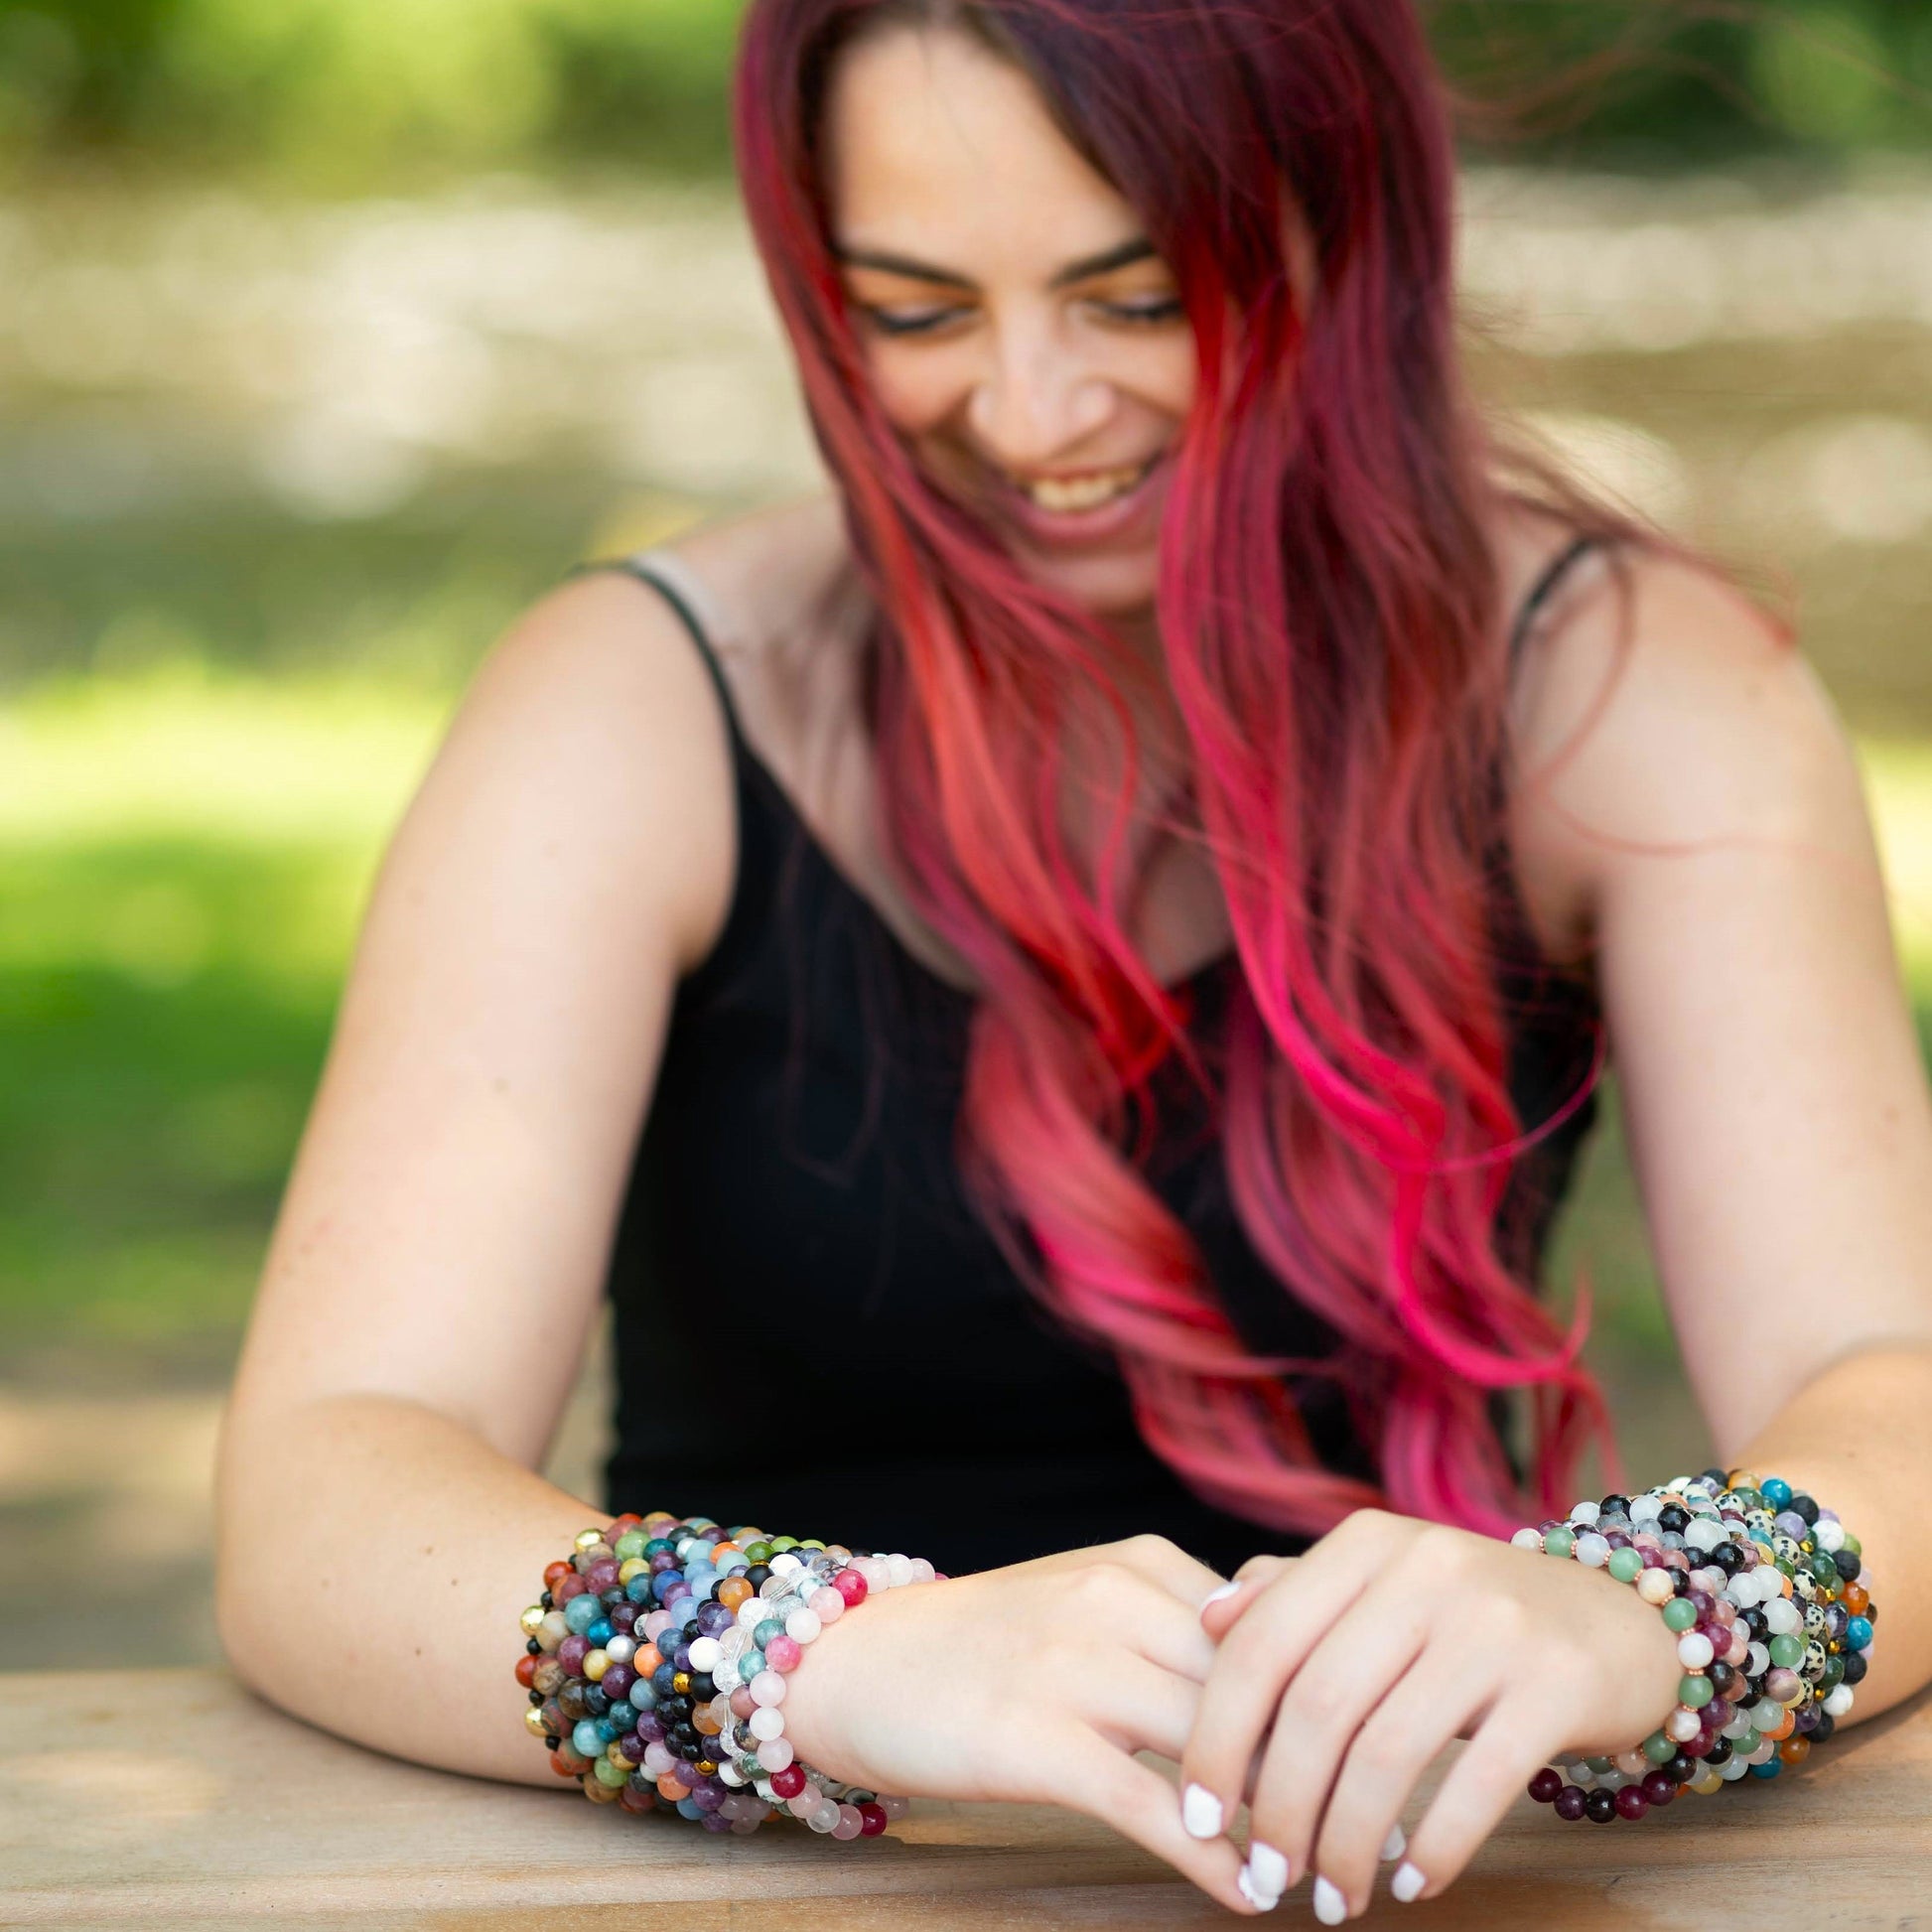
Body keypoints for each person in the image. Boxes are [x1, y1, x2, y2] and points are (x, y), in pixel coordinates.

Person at [213, 0, 1932, 1919]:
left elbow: (1894, 1374)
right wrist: (831, 1660)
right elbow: (325, 1493)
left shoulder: (1637, 695)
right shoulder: (632, 708)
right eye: (920, 312)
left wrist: (1632, 1614)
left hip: (1383, 1869)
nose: (1029, 417)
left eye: (1135, 298)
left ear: (1344, 246)